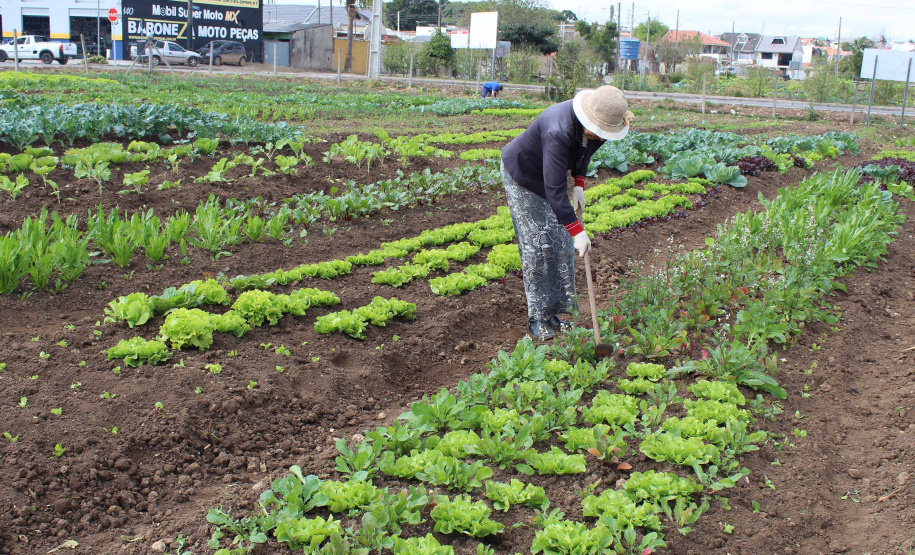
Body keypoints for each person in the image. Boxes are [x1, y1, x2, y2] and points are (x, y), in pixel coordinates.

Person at [500, 85, 633, 339]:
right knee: (538, 246)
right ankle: (537, 317)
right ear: (588, 119)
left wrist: (580, 184)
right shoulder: (557, 129)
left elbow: (584, 154)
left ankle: (553, 313)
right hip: (524, 176)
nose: (602, 136)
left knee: (560, 244)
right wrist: (578, 231)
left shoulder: (595, 130)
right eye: (600, 131)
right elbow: (554, 190)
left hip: (550, 176)